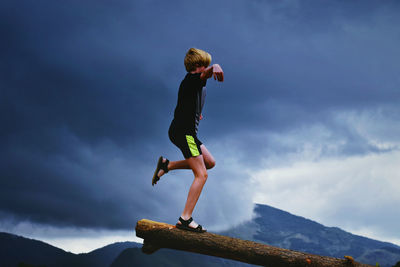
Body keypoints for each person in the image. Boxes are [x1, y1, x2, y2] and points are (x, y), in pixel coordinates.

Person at [152, 48, 224, 233]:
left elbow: (190, 102)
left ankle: (167, 166)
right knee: (201, 175)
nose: (207, 68)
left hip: (186, 133)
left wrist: (197, 114)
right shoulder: (193, 80)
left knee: (209, 162)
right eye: (205, 65)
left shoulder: (194, 85)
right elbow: (203, 76)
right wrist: (215, 67)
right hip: (185, 134)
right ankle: (185, 218)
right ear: (198, 67)